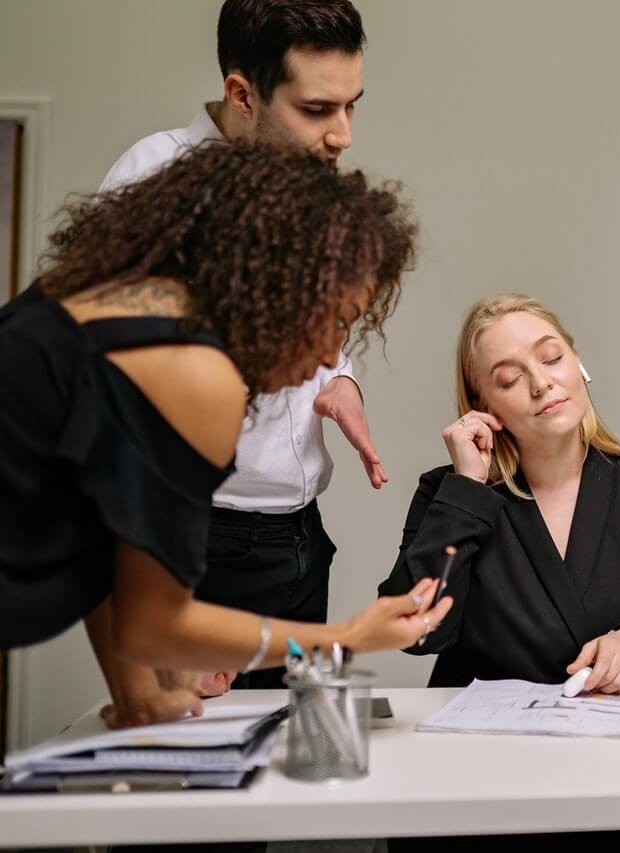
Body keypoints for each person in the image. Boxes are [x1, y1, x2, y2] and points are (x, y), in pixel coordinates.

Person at [0, 141, 451, 728]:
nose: (326, 356)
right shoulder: (196, 373)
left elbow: (102, 538)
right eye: (337, 320)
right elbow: (154, 626)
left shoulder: (114, 308)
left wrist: (140, 699)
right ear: (275, 278)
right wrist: (344, 638)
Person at [379, 293, 620, 852]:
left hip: (617, 781)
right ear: (481, 404)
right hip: (478, 786)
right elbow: (416, 631)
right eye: (510, 378)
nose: (542, 383)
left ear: (578, 364)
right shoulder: (449, 493)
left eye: (551, 357)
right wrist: (467, 487)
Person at [100, 0, 377, 692]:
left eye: (353, 105)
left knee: (289, 762)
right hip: (197, 535)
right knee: (191, 764)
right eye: (318, 109)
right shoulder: (155, 179)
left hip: (299, 532)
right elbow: (110, 390)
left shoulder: (308, 176)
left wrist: (341, 377)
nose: (342, 135)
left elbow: (308, 324)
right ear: (242, 94)